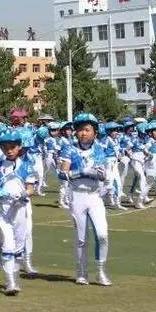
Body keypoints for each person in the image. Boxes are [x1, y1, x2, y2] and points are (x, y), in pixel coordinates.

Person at [58, 113, 112, 286]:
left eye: (87, 130)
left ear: (95, 132)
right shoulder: (70, 149)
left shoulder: (99, 149)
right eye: (80, 129)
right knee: (81, 238)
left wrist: (91, 172)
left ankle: (101, 271)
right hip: (77, 196)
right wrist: (82, 172)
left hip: (94, 196)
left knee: (102, 234)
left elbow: (102, 174)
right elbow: (62, 173)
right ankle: (82, 272)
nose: (83, 133)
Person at [0, 129, 37, 295]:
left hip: (20, 209)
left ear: (19, 147)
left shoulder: (26, 166)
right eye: (5, 147)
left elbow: (30, 189)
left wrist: (22, 194)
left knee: (18, 246)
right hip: (3, 211)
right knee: (8, 245)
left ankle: (15, 278)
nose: (9, 150)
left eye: (12, 147)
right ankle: (9, 282)